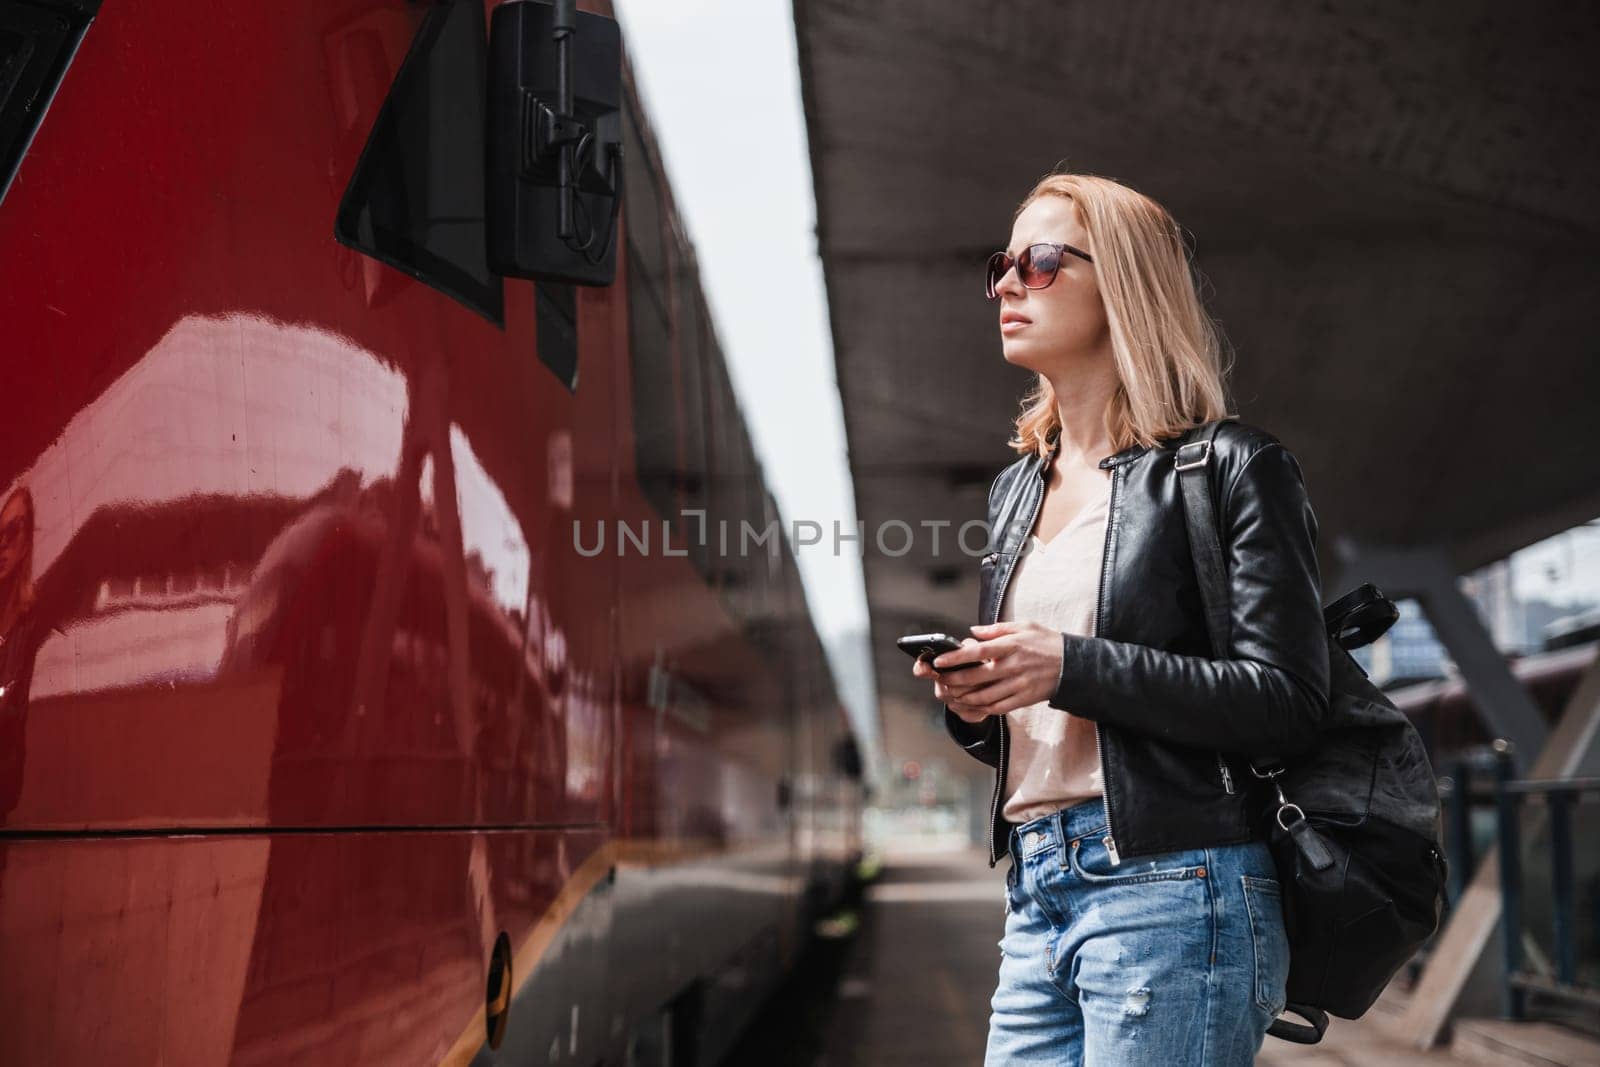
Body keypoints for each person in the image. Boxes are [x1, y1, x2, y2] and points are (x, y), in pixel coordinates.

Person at [912, 169, 1329, 1064]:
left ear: (1127, 282)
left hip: (1177, 888)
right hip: (1038, 889)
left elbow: (1288, 699)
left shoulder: (1229, 469)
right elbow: (1045, 727)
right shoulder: (1018, 488)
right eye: (1002, 264)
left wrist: (1068, 663)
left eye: (1045, 261)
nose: (1007, 283)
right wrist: (977, 701)